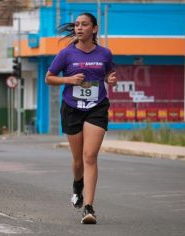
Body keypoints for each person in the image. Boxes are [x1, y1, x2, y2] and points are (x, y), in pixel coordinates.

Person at [45, 12, 117, 224]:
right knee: (78, 160)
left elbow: (108, 74)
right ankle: (77, 184)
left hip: (97, 107)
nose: (79, 28)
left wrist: (110, 79)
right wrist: (69, 79)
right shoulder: (66, 54)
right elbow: (49, 78)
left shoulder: (105, 53)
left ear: (94, 29)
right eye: (77, 25)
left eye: (84, 24)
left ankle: (89, 207)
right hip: (72, 108)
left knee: (90, 156)